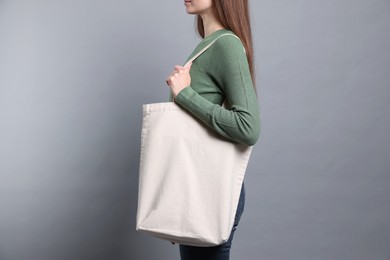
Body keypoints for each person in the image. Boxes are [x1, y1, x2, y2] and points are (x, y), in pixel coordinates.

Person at [165, 0, 260, 259]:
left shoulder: (226, 44)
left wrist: (185, 94)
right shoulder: (207, 47)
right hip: (197, 188)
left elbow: (248, 126)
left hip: (211, 191)